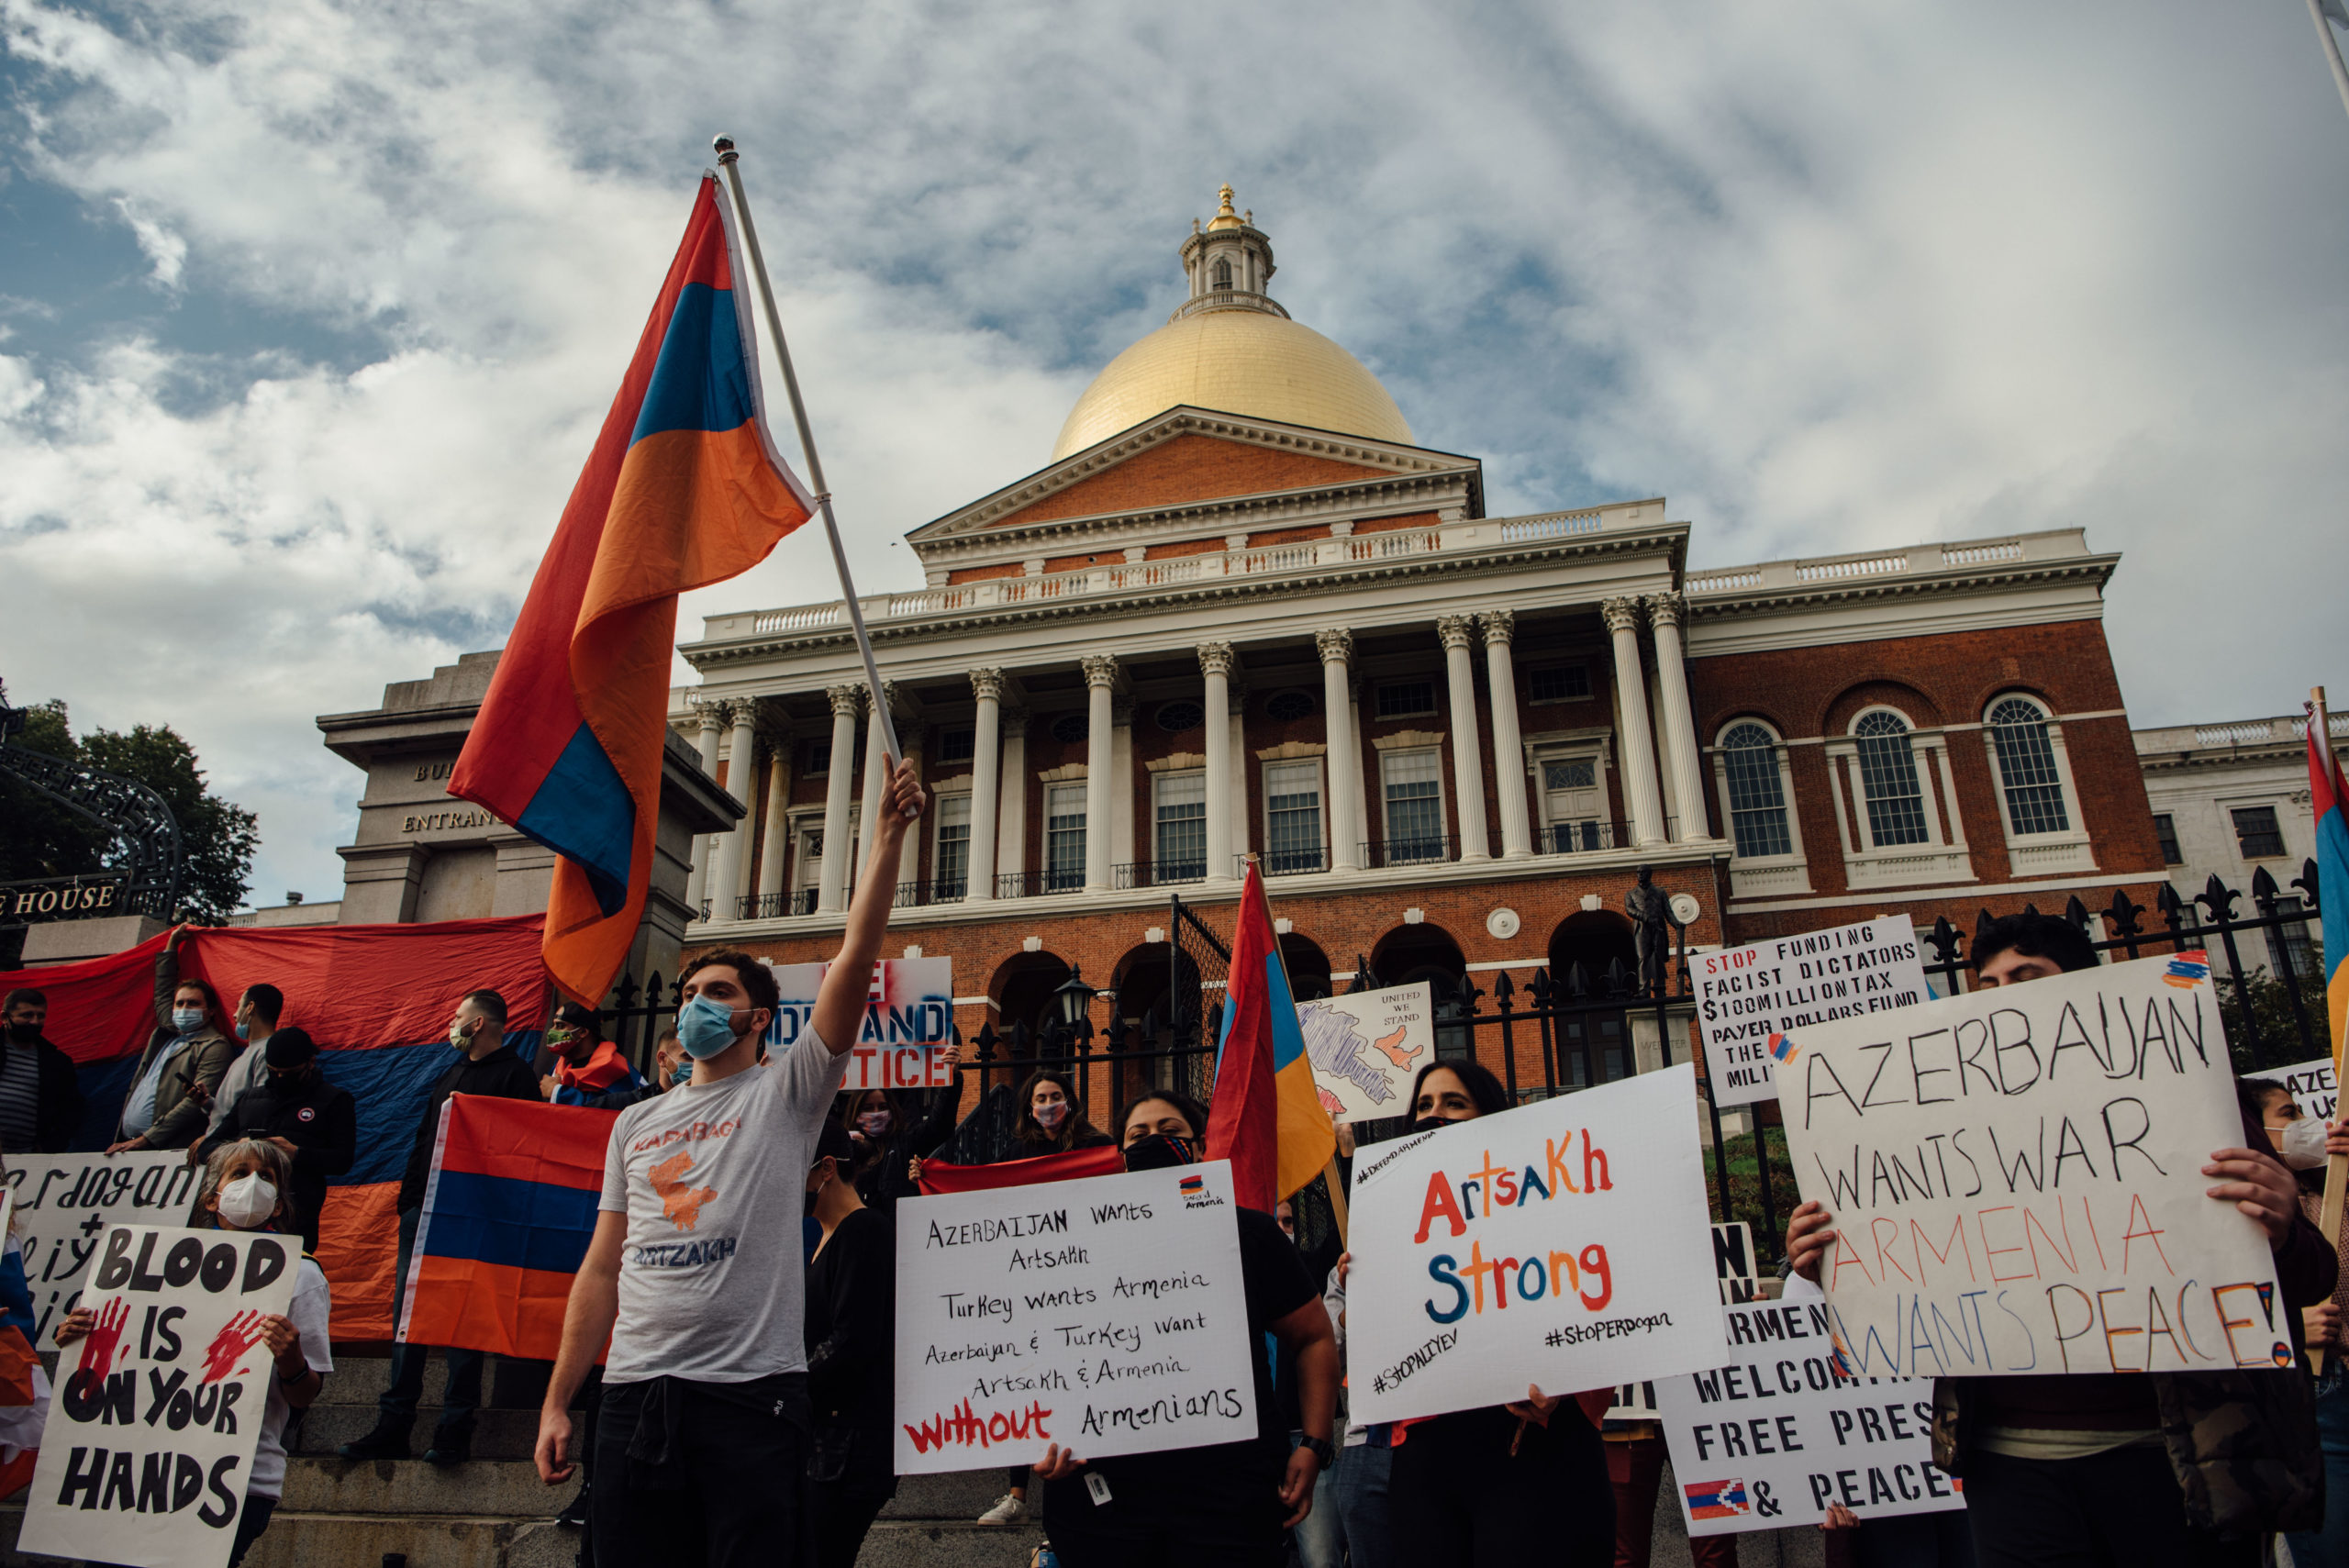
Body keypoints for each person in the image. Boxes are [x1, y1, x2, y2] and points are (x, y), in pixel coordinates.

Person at [1783, 913, 2337, 1566]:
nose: (2001, 996)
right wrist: (1834, 1253)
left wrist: (2279, 1229)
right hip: (2008, 1461)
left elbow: (2311, 1275)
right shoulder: (1930, 1125)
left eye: (2025, 977)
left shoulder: (2193, 1099)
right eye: (1985, 983)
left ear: (2082, 987)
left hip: (2169, 1454)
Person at [532, 758, 925, 1567]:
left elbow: (853, 961)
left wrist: (885, 836)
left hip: (752, 1397)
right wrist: (558, 1399)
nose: (696, 1004)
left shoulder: (788, 1093)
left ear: (757, 1018)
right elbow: (602, 1267)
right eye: (688, 993)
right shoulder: (633, 1123)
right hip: (634, 1393)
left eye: (715, 991)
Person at [1029, 1089, 1339, 1568]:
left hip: (1227, 1496)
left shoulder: (1251, 1234)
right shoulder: (1069, 1244)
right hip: (1102, 1501)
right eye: (1139, 1135)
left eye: (1170, 1132)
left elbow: (1314, 1337)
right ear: (1120, 1156)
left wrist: (1315, 1445)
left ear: (1198, 1150)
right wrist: (1033, 1442)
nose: (1154, 1141)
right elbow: (1030, 1352)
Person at [1362, 1059, 1614, 1568]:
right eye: (1425, 1105)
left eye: (1455, 1103)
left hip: (1528, 1443)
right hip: (1428, 1457)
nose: (1435, 1115)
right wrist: (1366, 1288)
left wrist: (1563, 1394)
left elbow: (1595, 1318)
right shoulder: (1391, 1222)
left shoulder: (1549, 1205)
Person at [62, 1138, 331, 1566]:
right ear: (211, 1197)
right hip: (134, 1474)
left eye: (266, 1177)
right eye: (240, 1174)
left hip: (234, 1480)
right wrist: (77, 1338)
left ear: (279, 1205)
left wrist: (290, 1357)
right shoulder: (150, 1267)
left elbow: (303, 1397)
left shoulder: (301, 1275)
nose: (253, 1183)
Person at [339, 987, 540, 1465]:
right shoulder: (450, 1071)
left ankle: (454, 1429)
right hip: (424, 1212)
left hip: (474, 1216)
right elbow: (425, 1136)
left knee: (463, 1320)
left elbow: (523, 1151)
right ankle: (395, 1423)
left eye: (458, 1016)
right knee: (408, 1319)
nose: (451, 1023)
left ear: (479, 1024)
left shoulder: (514, 1076)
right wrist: (409, 1202)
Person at [966, 1062, 1114, 1527]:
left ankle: (1099, 1478)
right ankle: (1016, 1494)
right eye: (1040, 1099)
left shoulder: (1097, 1147)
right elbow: (988, 1201)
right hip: (1033, 1281)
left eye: (1055, 1096)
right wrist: (926, 1174)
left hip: (1089, 1277)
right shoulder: (1015, 1153)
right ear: (1029, 1109)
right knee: (1027, 1381)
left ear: (1070, 1102)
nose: (1048, 1105)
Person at [2246, 1076, 2349, 1568]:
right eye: (2288, 1115)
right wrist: (2287, 1324)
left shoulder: (2338, 1185)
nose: (2306, 1122)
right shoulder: (2243, 1213)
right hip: (2321, 1396)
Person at [805, 1118, 896, 1568]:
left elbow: (851, 1341)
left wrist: (784, 1394)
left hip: (849, 1449)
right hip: (827, 1442)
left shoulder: (864, 1230)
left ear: (825, 1169)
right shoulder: (825, 1236)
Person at [194, 1027, 356, 1253]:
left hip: (296, 1213)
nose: (280, 1078)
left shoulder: (334, 1100)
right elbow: (207, 1148)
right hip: (237, 1215)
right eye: (274, 1072)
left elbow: (343, 1160)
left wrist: (297, 1153)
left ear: (310, 1063)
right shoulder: (251, 1097)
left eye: (289, 1073)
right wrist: (237, 1149)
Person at [108, 927, 234, 1153]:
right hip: (129, 1143)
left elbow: (193, 1104)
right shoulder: (169, 1031)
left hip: (164, 1150)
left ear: (211, 1010)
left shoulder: (214, 1045)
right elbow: (162, 993)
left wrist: (146, 1140)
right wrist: (172, 946)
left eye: (193, 1004)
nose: (184, 1009)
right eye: (180, 1004)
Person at [0, 986, 86, 1152]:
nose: (34, 1022)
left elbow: (71, 1109)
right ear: (5, 1017)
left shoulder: (56, 1062)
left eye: (40, 1016)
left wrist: (51, 1146)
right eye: (27, 1015)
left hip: (28, 1160)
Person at [202, 982, 285, 1141]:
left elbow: (259, 1110)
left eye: (238, 1006)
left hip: (234, 1147)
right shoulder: (246, 1054)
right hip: (221, 1145)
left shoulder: (267, 1051)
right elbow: (235, 1109)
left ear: (250, 1007)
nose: (234, 1015)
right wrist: (207, 1103)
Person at [540, 1002, 645, 1108]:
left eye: (560, 1026)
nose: (552, 1031)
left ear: (583, 1032)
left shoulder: (613, 1067)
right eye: (554, 1025)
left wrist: (557, 1092)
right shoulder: (561, 1063)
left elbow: (605, 1110)